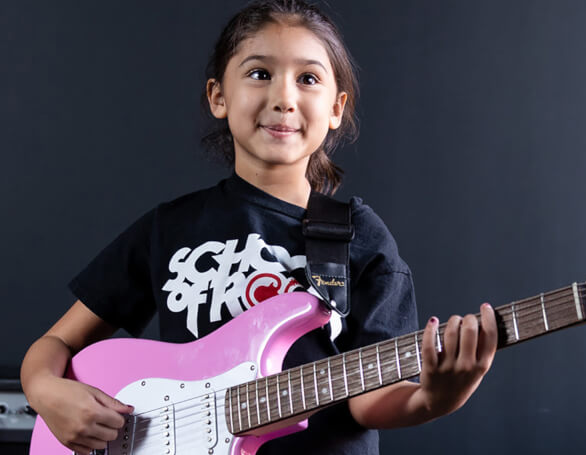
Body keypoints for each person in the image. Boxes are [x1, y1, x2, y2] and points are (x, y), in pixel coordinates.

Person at [19, 1, 497, 454]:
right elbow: (56, 343)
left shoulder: (360, 237)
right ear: (218, 96)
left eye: (308, 78)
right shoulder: (171, 226)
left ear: (336, 108)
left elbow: (368, 399)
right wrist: (45, 391)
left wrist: (438, 397)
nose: (284, 98)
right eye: (260, 73)